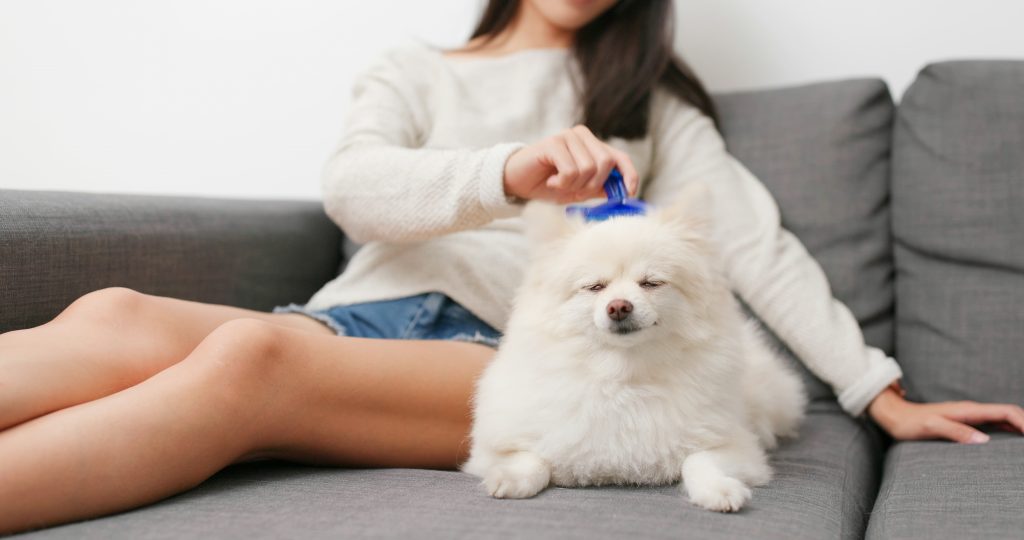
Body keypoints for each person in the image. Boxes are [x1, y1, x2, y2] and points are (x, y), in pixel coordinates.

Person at [1, 0, 1021, 534]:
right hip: (356, 322)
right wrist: (510, 173)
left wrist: (877, 391)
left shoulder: (646, 113)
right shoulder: (412, 72)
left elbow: (752, 247)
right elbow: (352, 188)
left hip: (505, 355)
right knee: (115, 312)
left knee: (245, 360)